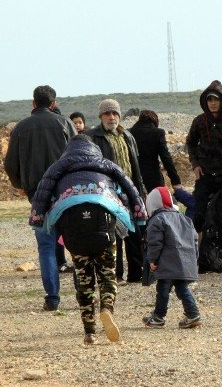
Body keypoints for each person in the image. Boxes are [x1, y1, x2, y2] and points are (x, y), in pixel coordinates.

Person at [30, 135, 148, 344]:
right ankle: (106, 308)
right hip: (103, 224)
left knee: (84, 279)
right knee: (107, 275)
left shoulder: (59, 166)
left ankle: (89, 332)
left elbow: (43, 190)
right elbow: (129, 187)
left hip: (73, 229)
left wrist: (38, 219)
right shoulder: (105, 164)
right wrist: (139, 214)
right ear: (93, 149)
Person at [4, 85, 77, 311]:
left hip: (38, 194)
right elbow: (79, 153)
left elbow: (10, 164)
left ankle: (52, 298)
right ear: (53, 104)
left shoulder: (21, 128)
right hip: (67, 191)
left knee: (46, 246)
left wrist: (21, 186)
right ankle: (84, 293)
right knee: (76, 244)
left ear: (33, 103)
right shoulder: (65, 123)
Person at [85, 99, 147, 283]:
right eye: (107, 114)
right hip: (108, 191)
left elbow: (135, 165)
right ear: (100, 116)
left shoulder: (127, 136)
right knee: (112, 234)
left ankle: (135, 273)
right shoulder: (93, 137)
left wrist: (140, 189)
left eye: (114, 114)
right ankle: (116, 274)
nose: (111, 117)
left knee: (134, 231)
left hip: (129, 189)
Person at [185, 80, 222, 270]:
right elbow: (191, 144)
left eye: (216, 99)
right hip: (206, 176)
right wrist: (195, 165)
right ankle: (197, 259)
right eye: (209, 99)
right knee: (199, 216)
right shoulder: (199, 121)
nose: (212, 103)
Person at [142, 187, 202, 329]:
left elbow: (154, 243)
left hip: (166, 264)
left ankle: (158, 317)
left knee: (163, 290)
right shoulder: (185, 218)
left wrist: (152, 260)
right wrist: (195, 259)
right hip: (185, 262)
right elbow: (195, 241)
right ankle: (193, 314)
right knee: (182, 288)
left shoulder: (157, 220)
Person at [129, 109, 182, 192]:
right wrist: (175, 181)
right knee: (157, 203)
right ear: (155, 120)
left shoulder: (129, 132)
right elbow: (166, 158)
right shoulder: (158, 133)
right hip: (154, 178)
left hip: (134, 178)